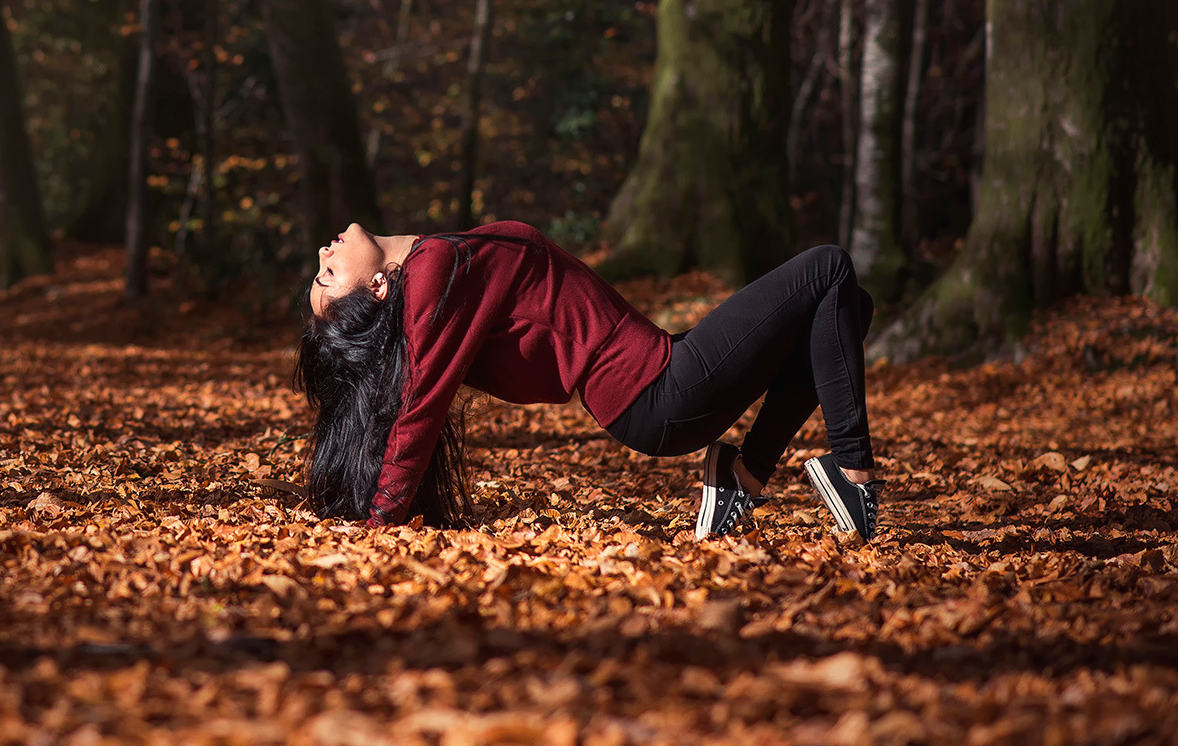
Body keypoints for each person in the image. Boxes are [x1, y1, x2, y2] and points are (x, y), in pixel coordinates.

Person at [294, 221, 881, 540]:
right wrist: (378, 529)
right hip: (662, 391)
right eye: (328, 273)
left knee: (848, 306)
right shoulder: (433, 277)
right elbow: (417, 405)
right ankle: (852, 467)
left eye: (320, 268)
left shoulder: (433, 261)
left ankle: (742, 475)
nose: (324, 252)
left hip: (662, 380)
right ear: (377, 288)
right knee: (828, 265)